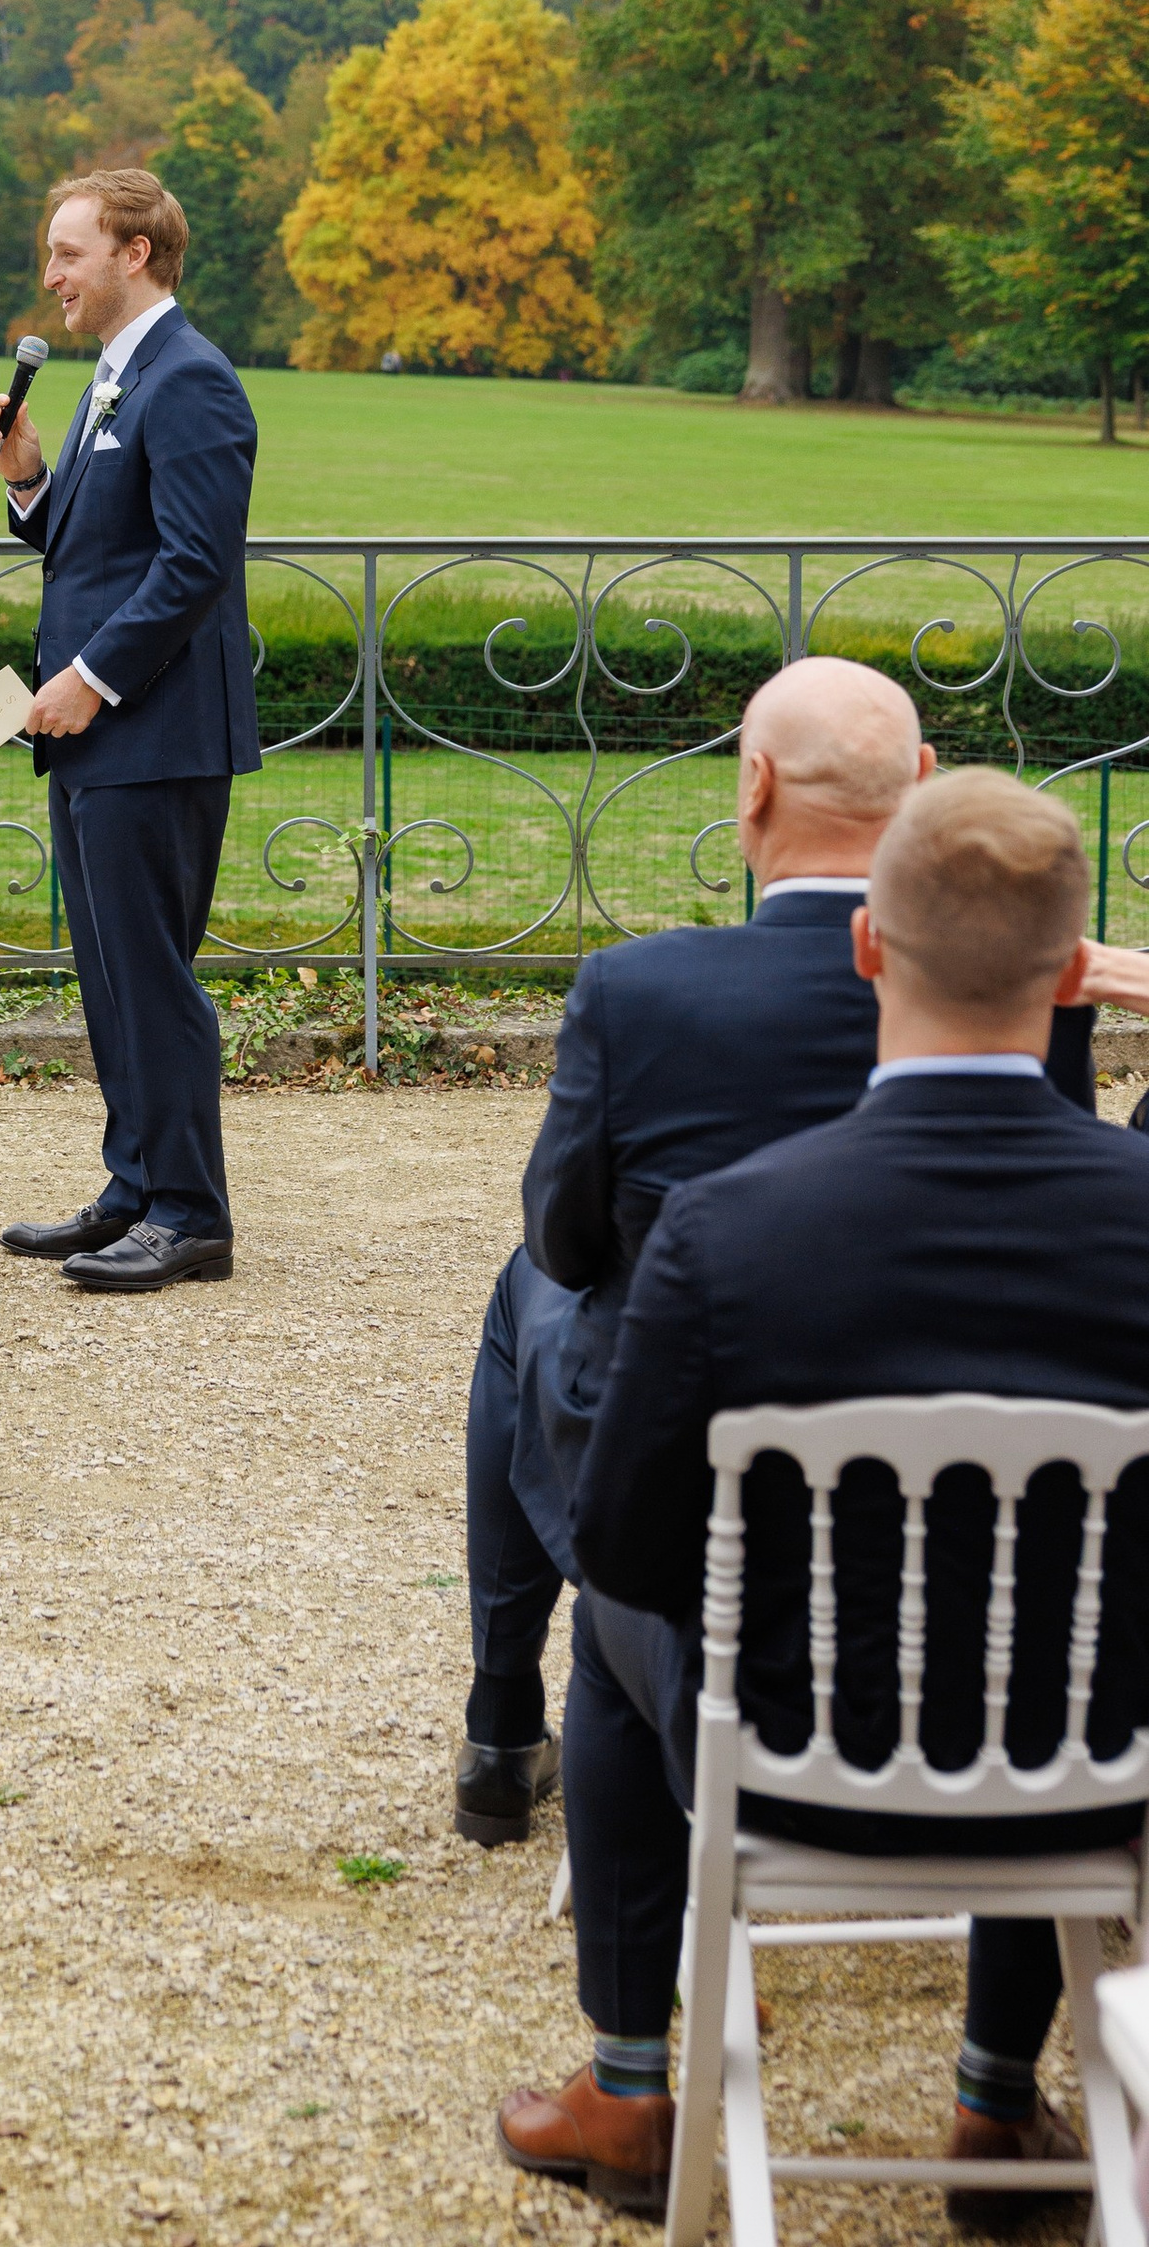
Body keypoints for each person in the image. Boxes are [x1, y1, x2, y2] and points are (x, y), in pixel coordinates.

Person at [500, 771, 1149, 2220]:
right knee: (1047, 1621)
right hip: (1098, 1759)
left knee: (607, 1617)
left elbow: (626, 1539)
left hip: (787, 1752)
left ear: (868, 948)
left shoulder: (733, 1230)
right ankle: (993, 2098)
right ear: (1071, 976)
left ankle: (625, 2077)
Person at [459, 664, 1108, 1854]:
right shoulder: (1029, 994)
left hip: (726, 1550)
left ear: (750, 786)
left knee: (531, 1281)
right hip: (1018, 1595)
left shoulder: (640, 992)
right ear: (920, 786)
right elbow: (1042, 1203)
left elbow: (566, 1237)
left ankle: (503, 1719)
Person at [0, 167, 260, 1292]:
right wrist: (28, 479)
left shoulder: (189, 379)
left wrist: (90, 679)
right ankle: (136, 1186)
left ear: (134, 253)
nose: (50, 274)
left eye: (67, 252)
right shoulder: (115, 376)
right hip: (92, 727)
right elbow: (101, 547)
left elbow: (196, 563)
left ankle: (192, 1212)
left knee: (150, 974)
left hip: (156, 728)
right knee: (109, 971)